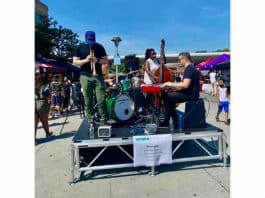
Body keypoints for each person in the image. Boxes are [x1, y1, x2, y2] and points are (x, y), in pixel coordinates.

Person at [72, 31, 110, 124]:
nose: (90, 43)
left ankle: (104, 119)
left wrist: (97, 60)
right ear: (85, 38)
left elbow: (105, 61)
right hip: (85, 76)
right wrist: (86, 60)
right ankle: (91, 120)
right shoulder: (80, 47)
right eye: (89, 40)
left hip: (98, 76)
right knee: (88, 100)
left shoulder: (99, 47)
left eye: (92, 40)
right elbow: (75, 62)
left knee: (101, 99)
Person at [161, 52, 200, 128]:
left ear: (184, 59)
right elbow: (187, 85)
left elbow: (185, 85)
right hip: (191, 93)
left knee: (166, 96)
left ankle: (171, 121)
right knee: (170, 97)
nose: (179, 62)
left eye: (179, 60)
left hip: (190, 95)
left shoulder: (189, 69)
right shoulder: (192, 68)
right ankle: (172, 121)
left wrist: (169, 83)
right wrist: (175, 87)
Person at [35, 70, 53, 143]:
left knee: (35, 122)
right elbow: (47, 95)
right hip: (42, 103)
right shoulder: (44, 85)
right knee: (44, 120)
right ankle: (47, 133)